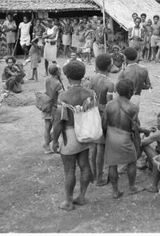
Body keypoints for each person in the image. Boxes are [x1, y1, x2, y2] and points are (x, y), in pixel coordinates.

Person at [52, 60, 94, 211]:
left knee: (69, 170)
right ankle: (82, 196)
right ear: (82, 75)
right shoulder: (89, 93)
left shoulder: (63, 96)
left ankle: (68, 202)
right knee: (84, 165)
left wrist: (55, 140)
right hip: (85, 133)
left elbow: (58, 122)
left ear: (66, 75)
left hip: (69, 135)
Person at [103, 78, 153, 198]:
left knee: (112, 164)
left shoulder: (109, 105)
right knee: (132, 161)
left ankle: (115, 191)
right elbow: (134, 128)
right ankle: (132, 187)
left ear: (117, 91)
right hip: (125, 137)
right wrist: (142, 135)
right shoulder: (134, 107)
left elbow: (103, 124)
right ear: (131, 92)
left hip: (111, 136)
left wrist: (107, 137)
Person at [88, 53, 115, 186]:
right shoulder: (110, 83)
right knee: (101, 147)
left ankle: (93, 175)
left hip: (92, 112)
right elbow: (109, 104)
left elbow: (89, 97)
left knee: (93, 145)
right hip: (102, 115)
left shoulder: (91, 79)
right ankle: (99, 177)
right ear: (109, 66)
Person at [42, 65, 63, 154]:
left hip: (46, 104)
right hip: (54, 106)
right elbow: (61, 97)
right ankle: (49, 143)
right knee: (57, 126)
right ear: (57, 72)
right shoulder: (58, 83)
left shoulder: (47, 80)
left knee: (47, 127)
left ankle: (46, 146)